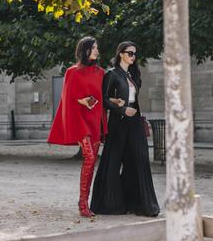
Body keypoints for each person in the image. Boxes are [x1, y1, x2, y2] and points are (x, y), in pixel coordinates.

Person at [91, 41, 160, 217]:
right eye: (130, 53)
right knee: (112, 162)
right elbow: (104, 99)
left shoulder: (134, 74)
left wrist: (134, 114)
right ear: (120, 53)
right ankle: (110, 204)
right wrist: (121, 109)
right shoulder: (112, 74)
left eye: (134, 54)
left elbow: (134, 99)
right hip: (118, 122)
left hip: (134, 120)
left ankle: (141, 205)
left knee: (140, 158)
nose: (133, 57)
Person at [48, 36, 108, 217]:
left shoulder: (101, 73)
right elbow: (66, 98)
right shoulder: (71, 72)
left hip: (95, 120)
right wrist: (80, 100)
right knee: (89, 158)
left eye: (98, 48)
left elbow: (103, 97)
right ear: (85, 50)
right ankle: (83, 203)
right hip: (80, 121)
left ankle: (85, 202)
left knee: (92, 162)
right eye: (94, 48)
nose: (97, 51)